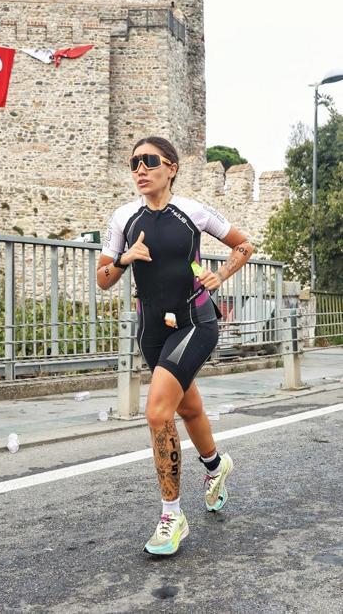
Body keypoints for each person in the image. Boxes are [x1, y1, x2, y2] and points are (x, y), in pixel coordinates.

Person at [97, 136, 253, 556]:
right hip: (151, 329)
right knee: (188, 407)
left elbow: (244, 245)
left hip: (195, 321)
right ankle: (217, 466)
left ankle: (172, 516)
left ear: (171, 167)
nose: (140, 170)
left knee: (157, 410)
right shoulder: (123, 218)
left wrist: (222, 276)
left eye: (149, 161)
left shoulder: (193, 211)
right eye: (134, 163)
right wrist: (124, 258)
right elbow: (103, 277)